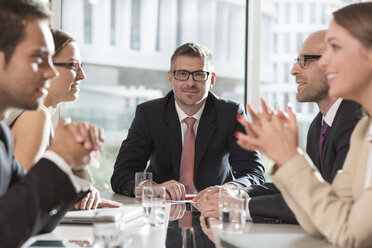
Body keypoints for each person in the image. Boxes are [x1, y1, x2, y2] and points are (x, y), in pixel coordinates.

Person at [236, 2, 372, 247]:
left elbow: (349, 235)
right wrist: (286, 157)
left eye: (336, 47)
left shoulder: (357, 125)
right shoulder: (364, 131)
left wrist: (290, 158)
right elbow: (324, 219)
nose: (326, 61)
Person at [195, 30, 362, 224]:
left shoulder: (356, 122)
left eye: (304, 60)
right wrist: (237, 193)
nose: (294, 71)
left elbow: (324, 203)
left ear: (334, 65)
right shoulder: (318, 125)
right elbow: (301, 189)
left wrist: (238, 206)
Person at [0, 0, 103, 247]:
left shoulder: (2, 133)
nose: (50, 72)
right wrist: (60, 158)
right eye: (38, 58)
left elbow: (26, 211)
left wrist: (72, 169)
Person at [111, 42, 265, 200]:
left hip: (215, 209)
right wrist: (152, 188)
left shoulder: (230, 113)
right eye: (182, 73)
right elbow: (121, 176)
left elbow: (254, 173)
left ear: (211, 80)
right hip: (162, 210)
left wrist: (231, 189)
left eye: (199, 74)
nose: (190, 82)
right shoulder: (149, 114)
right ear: (171, 78)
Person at [6, 28, 121, 210]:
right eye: (73, 65)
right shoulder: (36, 115)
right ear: (45, 67)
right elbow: (24, 198)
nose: (82, 75)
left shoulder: (44, 119)